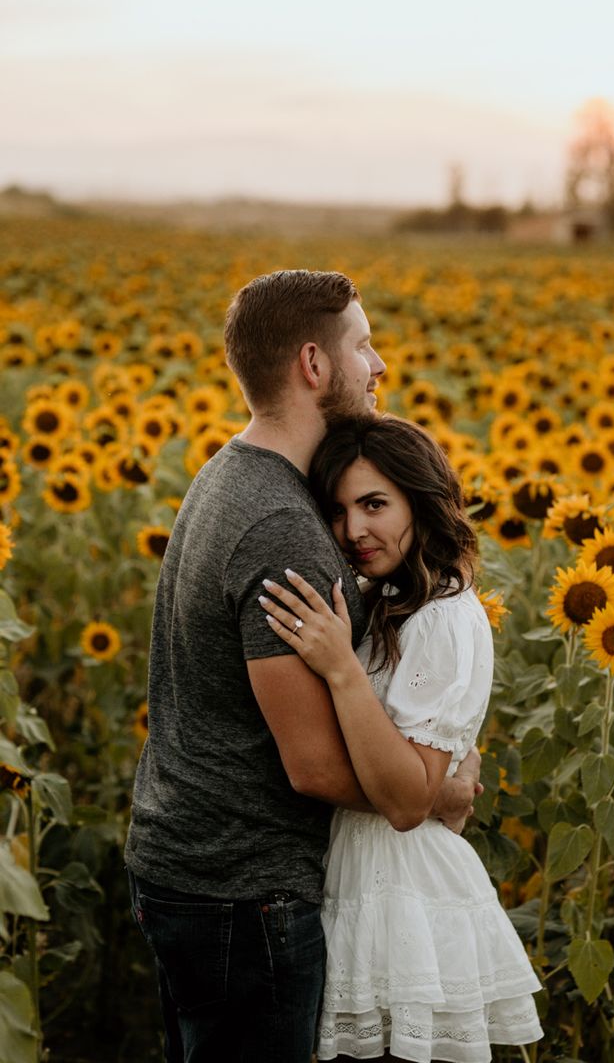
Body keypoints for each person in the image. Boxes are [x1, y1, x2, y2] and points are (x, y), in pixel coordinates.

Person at [124, 270, 481, 1063]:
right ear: (314, 365)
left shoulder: (232, 474)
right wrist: (433, 789)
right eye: (363, 346)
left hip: (193, 867)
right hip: (240, 889)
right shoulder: (281, 526)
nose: (379, 364)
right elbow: (316, 767)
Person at [258, 413, 544, 1063]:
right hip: (367, 884)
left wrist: (340, 669)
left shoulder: (443, 617)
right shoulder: (390, 600)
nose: (354, 530)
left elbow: (408, 801)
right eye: (338, 510)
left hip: (408, 903)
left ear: (422, 500)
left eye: (374, 504)